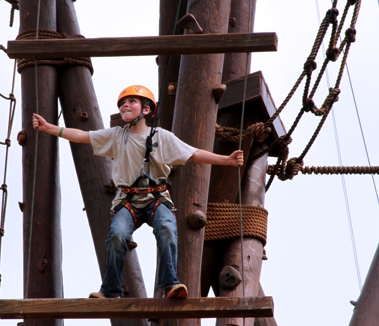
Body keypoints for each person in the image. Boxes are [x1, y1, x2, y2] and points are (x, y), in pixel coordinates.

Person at [32, 85, 243, 299]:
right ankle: (110, 289)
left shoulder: (162, 137)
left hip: (156, 198)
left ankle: (170, 284)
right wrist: (50, 128)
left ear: (146, 110)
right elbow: (82, 136)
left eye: (132, 101)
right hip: (128, 200)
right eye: (123, 103)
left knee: (167, 230)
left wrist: (226, 160)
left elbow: (194, 153)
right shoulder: (116, 136)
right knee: (116, 236)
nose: (125, 105)